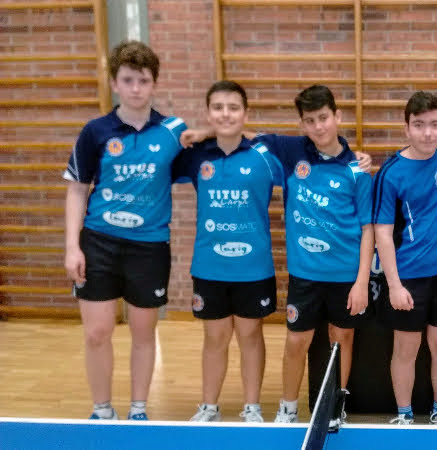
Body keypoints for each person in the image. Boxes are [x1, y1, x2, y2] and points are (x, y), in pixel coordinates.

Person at [181, 85, 373, 424]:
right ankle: (287, 407)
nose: (318, 126)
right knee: (295, 342)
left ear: (338, 116)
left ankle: (335, 407)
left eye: (324, 118)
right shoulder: (291, 151)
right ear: (301, 124)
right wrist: (204, 133)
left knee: (342, 338)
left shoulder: (357, 169)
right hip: (304, 274)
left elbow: (368, 228)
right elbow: (241, 133)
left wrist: (361, 281)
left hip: (345, 274)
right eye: (310, 120)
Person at [63, 40, 187, 421]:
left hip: (149, 247)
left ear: (154, 84)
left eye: (144, 81)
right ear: (114, 83)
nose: (136, 88)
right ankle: (102, 410)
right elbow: (77, 189)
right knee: (97, 332)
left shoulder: (173, 131)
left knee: (143, 333)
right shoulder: (95, 131)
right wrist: (72, 247)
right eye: (128, 80)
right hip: (98, 242)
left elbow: (214, 148)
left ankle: (138, 410)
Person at [172, 81, 282, 423]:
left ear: (245, 113)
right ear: (208, 113)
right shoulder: (195, 156)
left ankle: (252, 407)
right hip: (210, 266)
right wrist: (204, 134)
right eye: (218, 107)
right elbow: (158, 162)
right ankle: (209, 406)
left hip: (254, 267)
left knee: (250, 336)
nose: (226, 114)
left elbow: (311, 156)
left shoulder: (266, 155)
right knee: (215, 337)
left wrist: (356, 158)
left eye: (233, 107)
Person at [372, 91, 437, 426]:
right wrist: (394, 285)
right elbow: (382, 233)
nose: (428, 133)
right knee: (406, 348)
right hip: (409, 276)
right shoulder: (391, 173)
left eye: (435, 124)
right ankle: (404, 415)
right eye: (419, 125)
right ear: (407, 128)